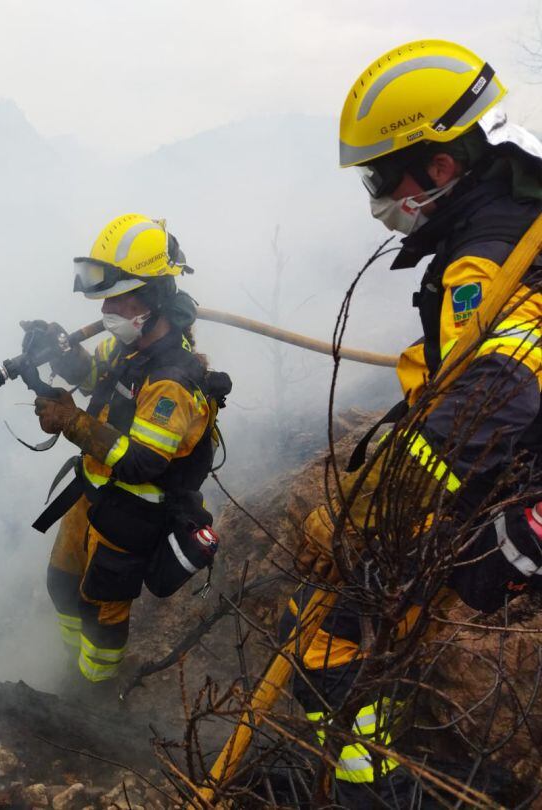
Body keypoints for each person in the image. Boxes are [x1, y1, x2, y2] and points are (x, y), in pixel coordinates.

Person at [285, 39, 542, 804]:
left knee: (332, 645)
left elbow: (503, 384)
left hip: (504, 480)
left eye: (380, 173)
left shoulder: (488, 251)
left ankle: (373, 789)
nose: (374, 194)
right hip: (509, 469)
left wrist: (382, 504)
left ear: (437, 166)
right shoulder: (513, 212)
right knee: (378, 630)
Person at [24, 213, 230, 689]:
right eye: (105, 299)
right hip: (93, 494)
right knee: (61, 583)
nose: (108, 310)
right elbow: (97, 380)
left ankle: (96, 686)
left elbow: (143, 461)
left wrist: (73, 423)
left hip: (131, 516)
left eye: (120, 298)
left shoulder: (173, 381)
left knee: (100, 609)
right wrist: (59, 352)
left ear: (154, 297)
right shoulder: (130, 350)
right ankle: (69, 662)